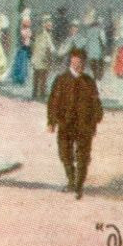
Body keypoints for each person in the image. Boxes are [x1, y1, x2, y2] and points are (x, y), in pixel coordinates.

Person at [47, 47, 104, 198]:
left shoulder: (88, 81)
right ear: (70, 62)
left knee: (83, 157)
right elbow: (53, 102)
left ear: (84, 63)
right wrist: (52, 121)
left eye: (80, 62)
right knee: (65, 154)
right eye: (74, 61)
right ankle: (71, 180)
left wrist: (97, 118)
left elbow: (96, 102)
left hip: (84, 125)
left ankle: (79, 185)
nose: (77, 65)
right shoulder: (61, 80)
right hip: (65, 124)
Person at [30, 16, 57, 102]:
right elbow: (49, 46)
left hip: (39, 57)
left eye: (51, 25)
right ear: (44, 24)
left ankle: (37, 93)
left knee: (39, 75)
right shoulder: (43, 33)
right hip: (41, 57)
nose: (51, 26)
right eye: (49, 25)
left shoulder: (45, 33)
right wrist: (54, 52)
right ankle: (39, 93)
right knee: (41, 75)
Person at [81, 9, 107, 81]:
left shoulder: (88, 31)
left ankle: (95, 74)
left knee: (93, 63)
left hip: (90, 48)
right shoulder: (100, 30)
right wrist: (104, 46)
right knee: (101, 62)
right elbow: (103, 39)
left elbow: (85, 40)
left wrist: (85, 48)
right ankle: (100, 75)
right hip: (98, 48)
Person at [9, 14, 32, 88]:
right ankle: (17, 78)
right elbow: (23, 38)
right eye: (26, 22)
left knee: (24, 63)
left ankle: (22, 78)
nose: (28, 23)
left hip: (26, 48)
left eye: (28, 22)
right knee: (20, 63)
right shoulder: (22, 30)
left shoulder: (28, 30)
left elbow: (28, 39)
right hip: (22, 48)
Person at [113, 13, 123, 78]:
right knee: (121, 60)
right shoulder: (118, 29)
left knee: (121, 60)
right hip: (120, 47)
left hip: (122, 46)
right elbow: (116, 38)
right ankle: (120, 73)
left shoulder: (120, 29)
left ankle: (120, 73)